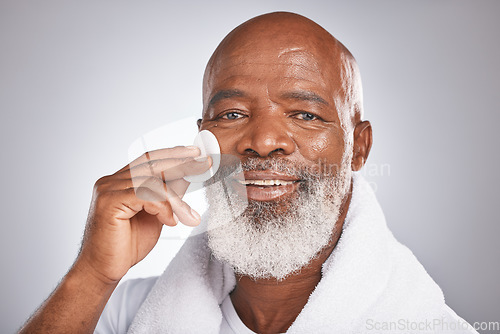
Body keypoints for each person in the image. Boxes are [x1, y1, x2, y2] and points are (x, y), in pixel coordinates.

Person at [19, 12, 477, 334]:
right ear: (202, 142)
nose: (262, 141)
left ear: (359, 147)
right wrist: (94, 274)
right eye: (233, 115)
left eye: (306, 115)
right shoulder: (123, 314)